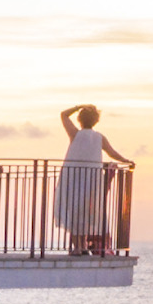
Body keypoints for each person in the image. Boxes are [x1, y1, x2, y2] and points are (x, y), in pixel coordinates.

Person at [55, 105, 128, 256]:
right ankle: (81, 246)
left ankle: (79, 247)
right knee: (85, 213)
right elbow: (112, 152)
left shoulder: (75, 134)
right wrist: (125, 160)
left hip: (73, 179)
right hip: (91, 181)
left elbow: (63, 115)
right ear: (95, 120)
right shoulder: (99, 137)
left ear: (80, 120)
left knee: (74, 212)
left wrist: (78, 106)